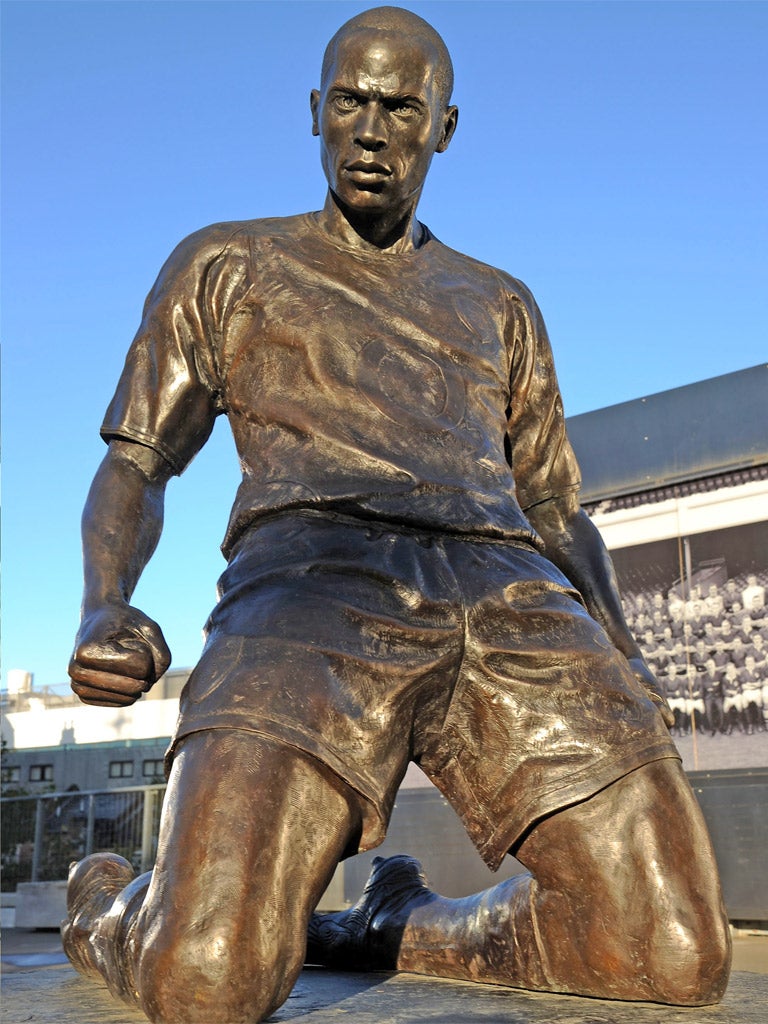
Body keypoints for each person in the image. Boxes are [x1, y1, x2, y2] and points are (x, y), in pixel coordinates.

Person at [62, 7, 730, 1022]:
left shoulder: (500, 302)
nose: (372, 131)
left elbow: (552, 503)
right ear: (315, 113)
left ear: (445, 127)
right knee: (206, 979)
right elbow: (138, 459)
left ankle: (396, 920)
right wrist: (103, 600)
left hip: (507, 588)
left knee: (671, 950)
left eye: (401, 109)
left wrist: (622, 644)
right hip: (309, 584)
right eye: (351, 103)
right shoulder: (226, 263)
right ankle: (111, 907)